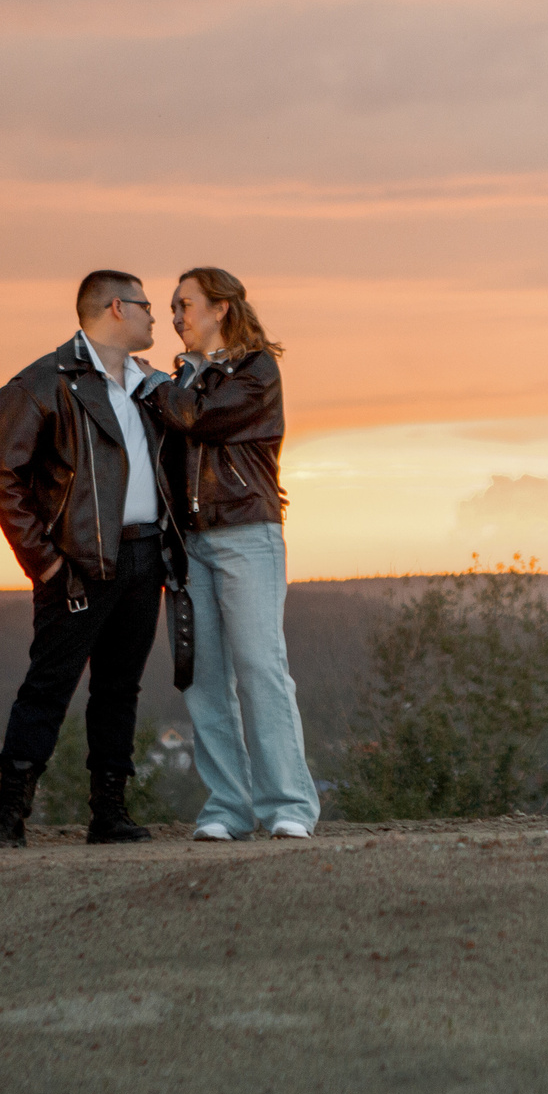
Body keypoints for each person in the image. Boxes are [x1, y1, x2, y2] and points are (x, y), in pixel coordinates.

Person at [0, 269, 181, 848]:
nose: (154, 317)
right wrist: (45, 563)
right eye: (145, 305)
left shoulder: (148, 385)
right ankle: (8, 819)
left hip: (144, 558)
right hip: (76, 566)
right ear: (116, 308)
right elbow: (1, 475)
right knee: (48, 686)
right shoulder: (41, 383)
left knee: (120, 690)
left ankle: (109, 815)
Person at [152, 267, 319, 840]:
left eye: (186, 305)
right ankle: (228, 808)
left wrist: (154, 389)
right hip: (189, 544)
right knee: (203, 678)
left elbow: (205, 419)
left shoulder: (254, 371)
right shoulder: (181, 378)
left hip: (247, 535)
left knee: (260, 670)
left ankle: (289, 806)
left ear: (221, 308)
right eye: (172, 308)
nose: (176, 317)